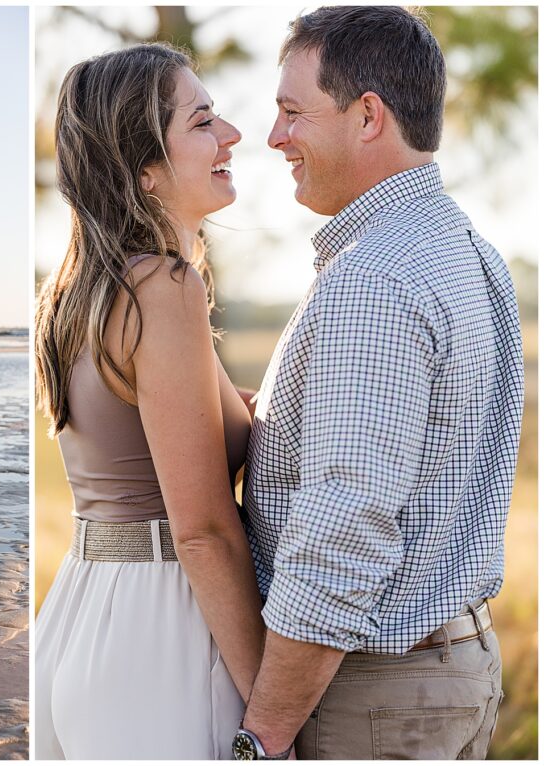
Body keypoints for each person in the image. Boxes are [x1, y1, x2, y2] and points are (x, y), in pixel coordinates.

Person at [234, 7, 523, 760]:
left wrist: (260, 738)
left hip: (375, 694)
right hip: (454, 664)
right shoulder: (469, 250)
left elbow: (344, 530)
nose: (274, 138)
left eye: (292, 112)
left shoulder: (374, 279)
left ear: (368, 117)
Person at [34, 43, 265, 759]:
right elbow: (201, 529)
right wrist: (272, 717)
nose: (231, 135)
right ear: (146, 170)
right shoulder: (163, 288)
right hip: (161, 635)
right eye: (203, 122)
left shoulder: (76, 296)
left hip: (80, 612)